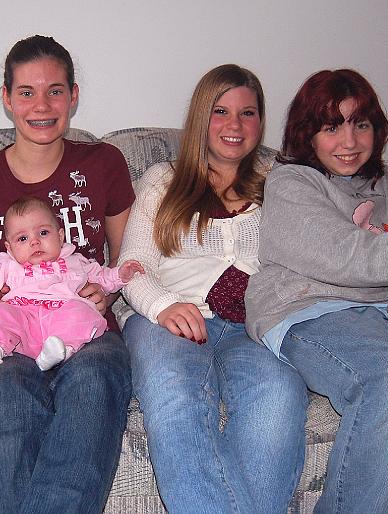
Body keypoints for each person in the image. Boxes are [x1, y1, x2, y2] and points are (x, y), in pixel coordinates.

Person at [245, 69, 388, 513]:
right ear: (308, 134)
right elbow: (352, 257)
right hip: (308, 309)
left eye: (361, 124)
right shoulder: (292, 182)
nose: (349, 141)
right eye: (332, 127)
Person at [0, 35, 135, 512]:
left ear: (74, 95)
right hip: (13, 328)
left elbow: (128, 256)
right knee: (6, 390)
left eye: (55, 90)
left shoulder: (104, 163)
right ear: (6, 98)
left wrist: (108, 294)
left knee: (93, 379)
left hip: (84, 327)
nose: (41, 105)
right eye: (26, 91)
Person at [118, 64, 308, 514]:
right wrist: (162, 305)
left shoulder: (281, 184)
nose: (235, 125)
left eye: (248, 112)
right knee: (176, 397)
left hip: (253, 324)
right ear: (201, 117)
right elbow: (130, 267)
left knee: (279, 395)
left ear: (261, 123)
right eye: (220, 111)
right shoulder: (163, 180)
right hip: (166, 319)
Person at [0, 196, 144, 371]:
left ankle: (63, 349)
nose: (35, 242)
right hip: (23, 320)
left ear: (60, 236)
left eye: (43, 233)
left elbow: (103, 277)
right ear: (9, 247)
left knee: (81, 311)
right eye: (23, 238)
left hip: (62, 316)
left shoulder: (75, 260)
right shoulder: (7, 265)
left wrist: (121, 274)